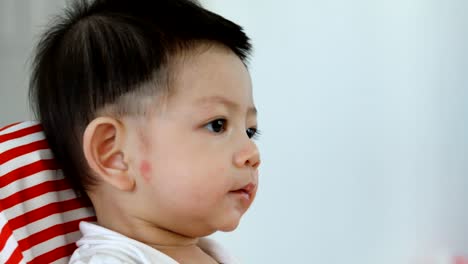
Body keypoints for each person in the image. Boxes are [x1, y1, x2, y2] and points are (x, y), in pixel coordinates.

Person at [29, 0, 261, 263]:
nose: (252, 153)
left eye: (250, 131)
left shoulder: (211, 254)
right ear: (115, 154)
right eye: (217, 125)